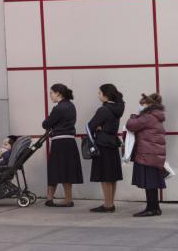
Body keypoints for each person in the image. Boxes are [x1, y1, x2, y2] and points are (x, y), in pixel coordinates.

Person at [43, 84, 83, 207]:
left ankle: (50, 198)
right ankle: (68, 198)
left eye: (51, 93)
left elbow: (46, 124)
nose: (50, 96)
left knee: (54, 168)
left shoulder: (58, 108)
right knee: (68, 169)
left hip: (59, 141)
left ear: (58, 93)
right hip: (70, 141)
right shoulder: (71, 106)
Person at [126, 93, 166, 217]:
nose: (140, 106)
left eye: (142, 104)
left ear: (148, 104)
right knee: (152, 183)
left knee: (149, 183)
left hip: (147, 154)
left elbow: (130, 125)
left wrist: (133, 116)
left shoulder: (148, 117)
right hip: (153, 154)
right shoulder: (156, 116)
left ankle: (151, 209)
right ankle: (155, 208)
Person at [89, 84, 125, 213]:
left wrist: (99, 128)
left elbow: (90, 126)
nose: (98, 95)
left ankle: (107, 205)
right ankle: (110, 203)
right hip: (113, 143)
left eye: (99, 93)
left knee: (105, 177)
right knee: (112, 176)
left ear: (106, 95)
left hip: (103, 144)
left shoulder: (103, 110)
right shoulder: (117, 108)